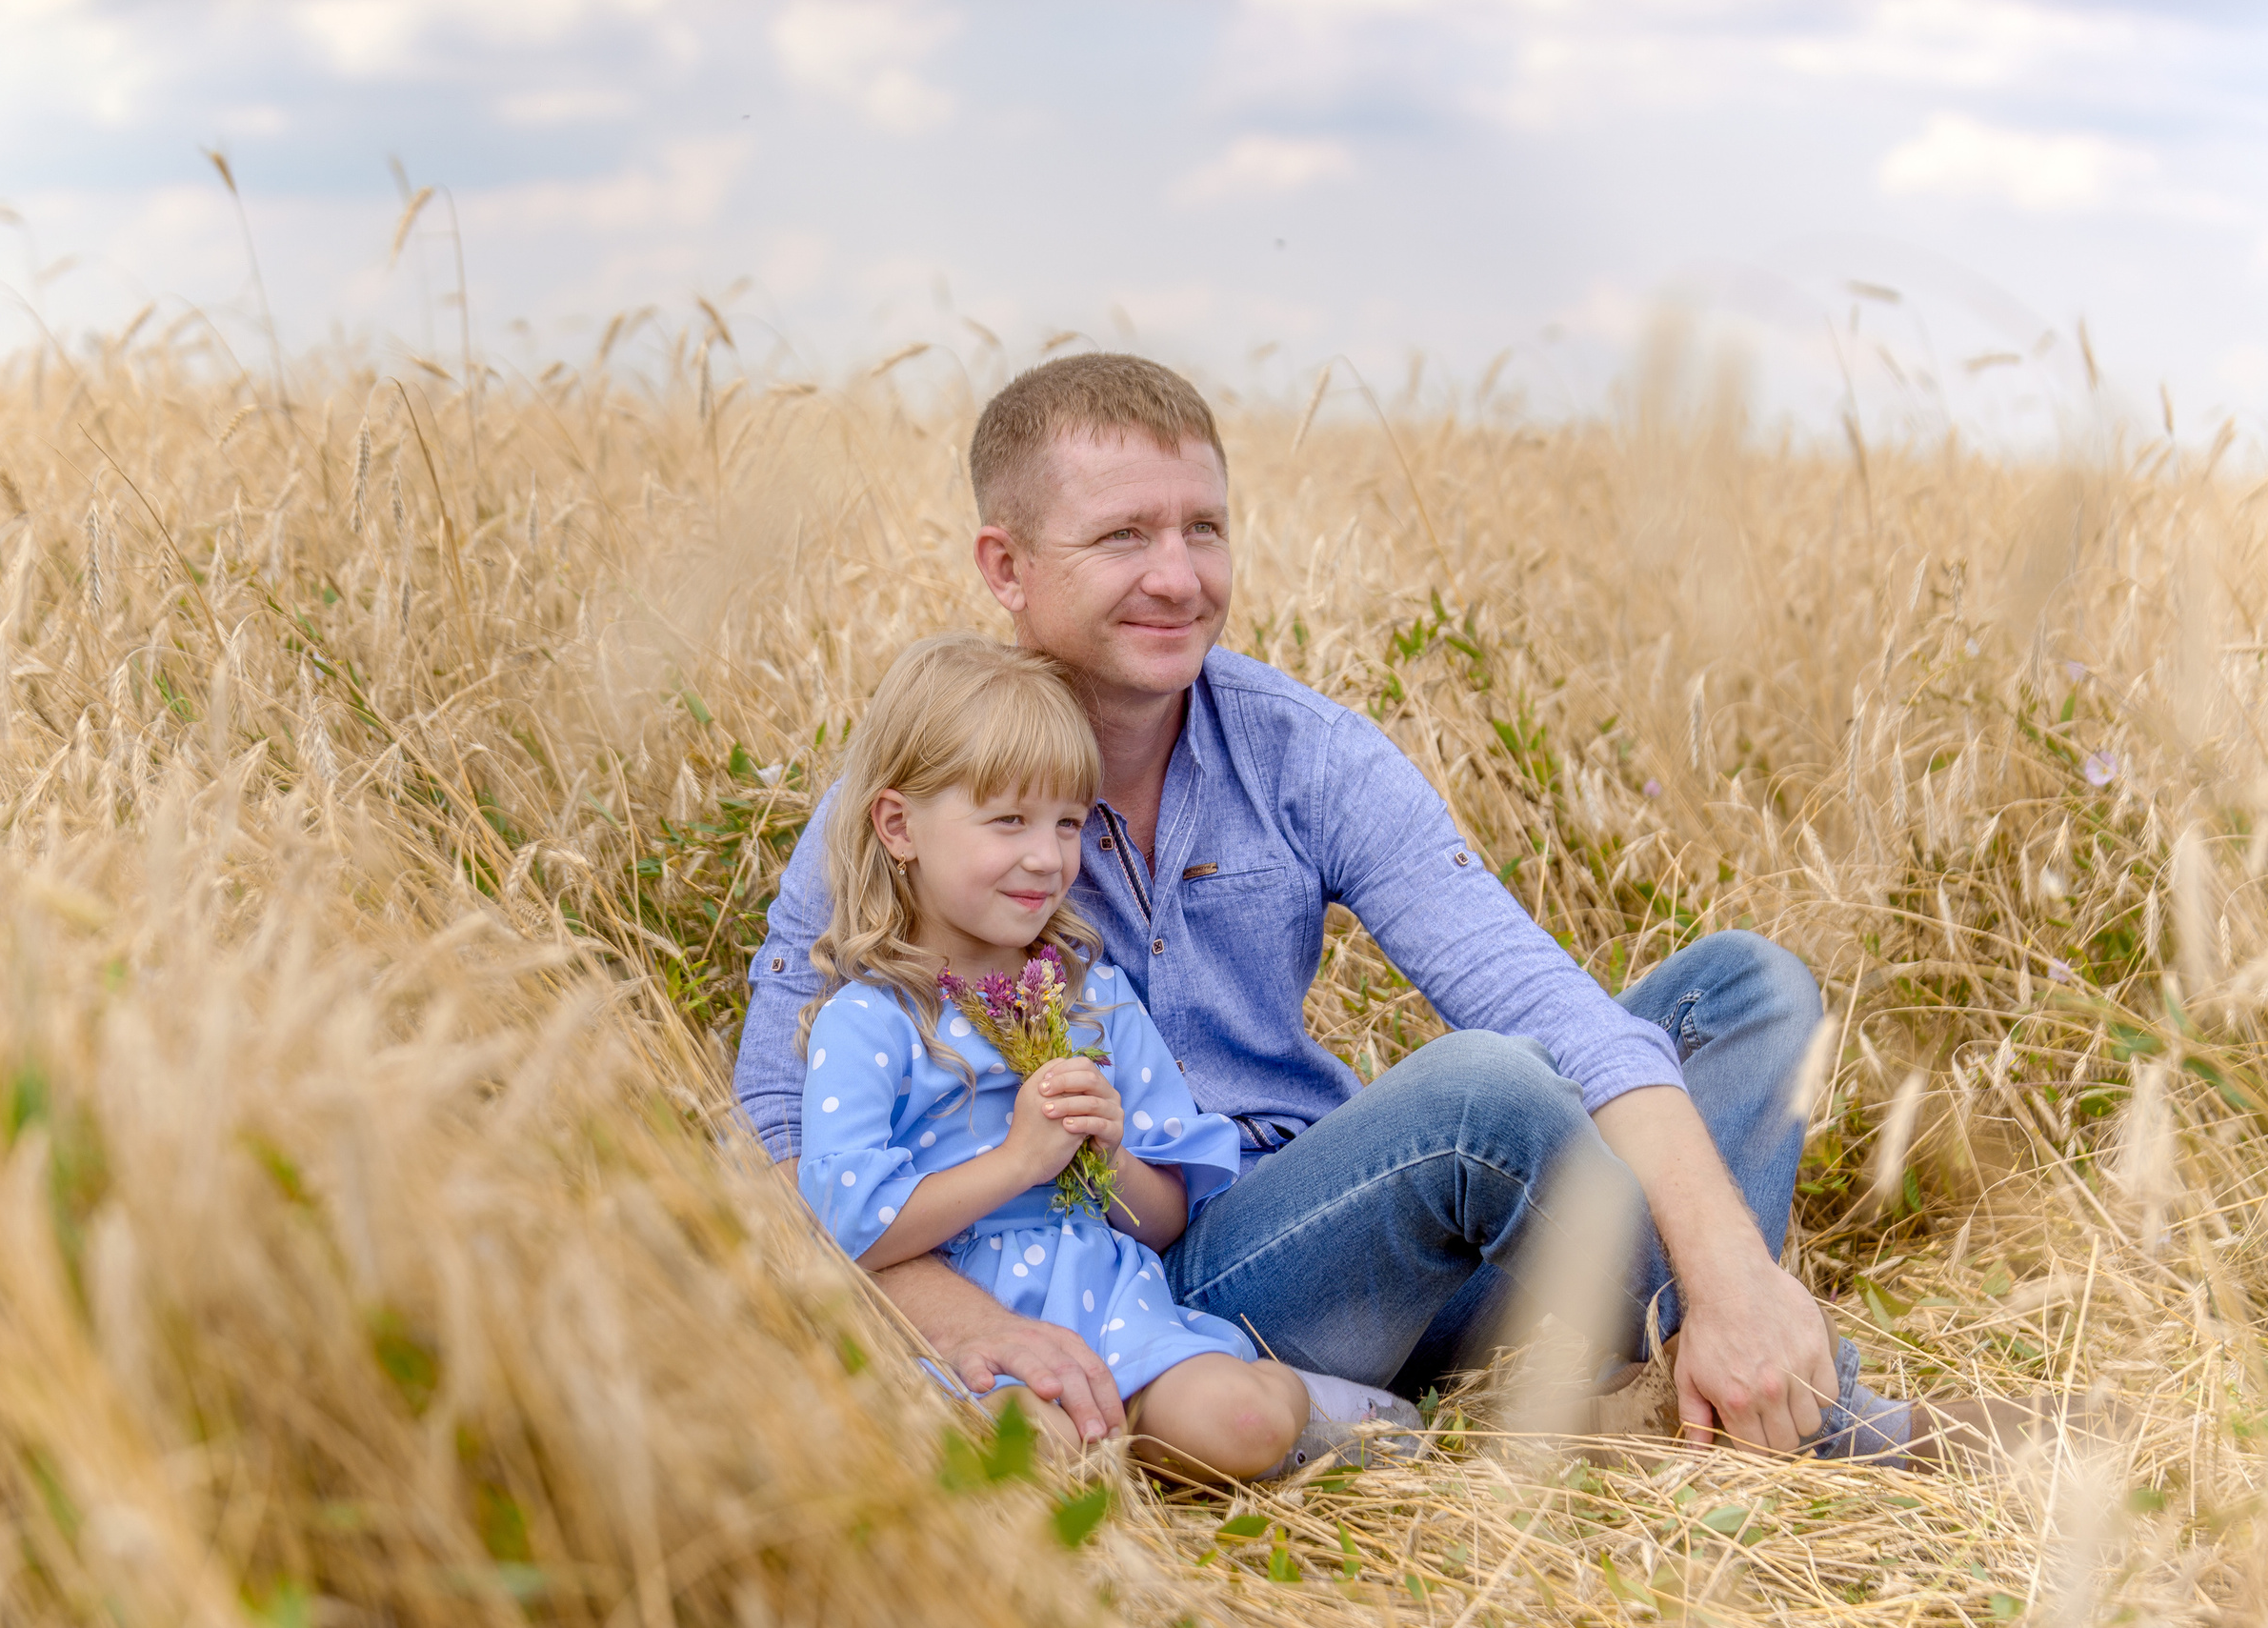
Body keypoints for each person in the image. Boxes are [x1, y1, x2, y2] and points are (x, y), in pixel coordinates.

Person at [735, 352, 1988, 1469]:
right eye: (1124, 536)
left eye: (1206, 529)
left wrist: (1735, 1278)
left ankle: (1673, 1363)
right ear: (1004, 566)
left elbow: (1542, 996)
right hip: (1156, 1277)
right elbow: (777, 1134)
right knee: (1482, 1099)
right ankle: (1818, 1419)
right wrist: (981, 1328)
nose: (1179, 577)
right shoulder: (914, 799)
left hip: (1361, 1225)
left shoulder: (1304, 754)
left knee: (1746, 991)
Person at [796, 632, 1402, 1478]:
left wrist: (1108, 1155)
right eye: (1007, 820)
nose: (1046, 857)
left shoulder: (1094, 999)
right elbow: (846, 1226)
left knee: (1238, 1422)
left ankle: (1321, 1406)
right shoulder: (871, 1020)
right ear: (899, 825)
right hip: (957, 1332)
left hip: (1115, 1305)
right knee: (1029, 1461)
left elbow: (1167, 1219)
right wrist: (1016, 1161)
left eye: (1068, 823)